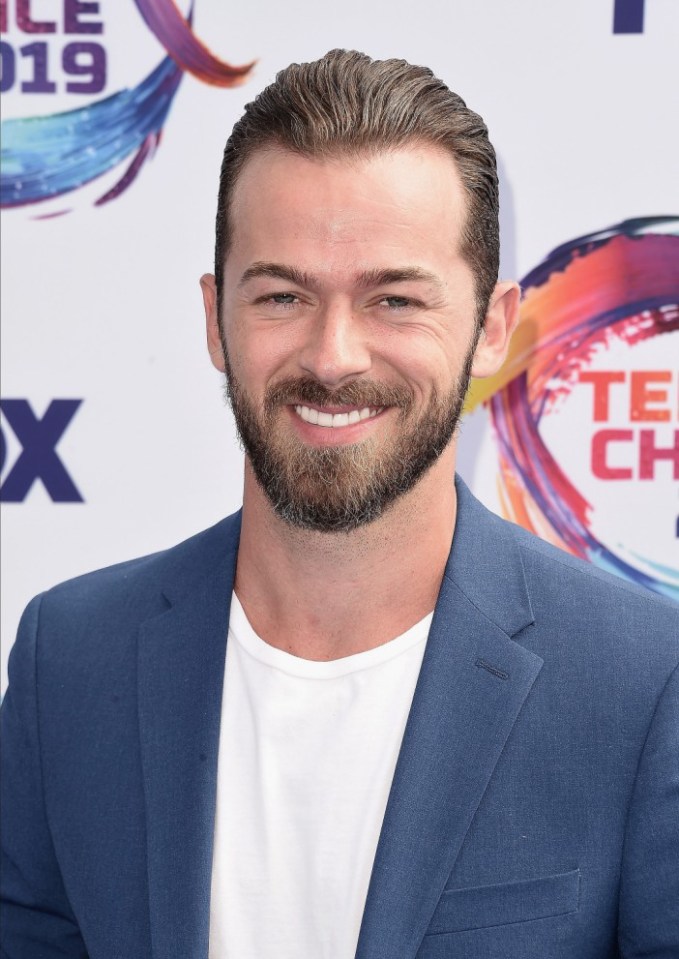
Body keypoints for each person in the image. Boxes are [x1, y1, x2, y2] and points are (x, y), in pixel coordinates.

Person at [1, 49, 678, 959]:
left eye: (394, 300)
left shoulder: (639, 684)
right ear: (215, 319)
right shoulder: (70, 660)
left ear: (489, 327)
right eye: (282, 295)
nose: (333, 356)